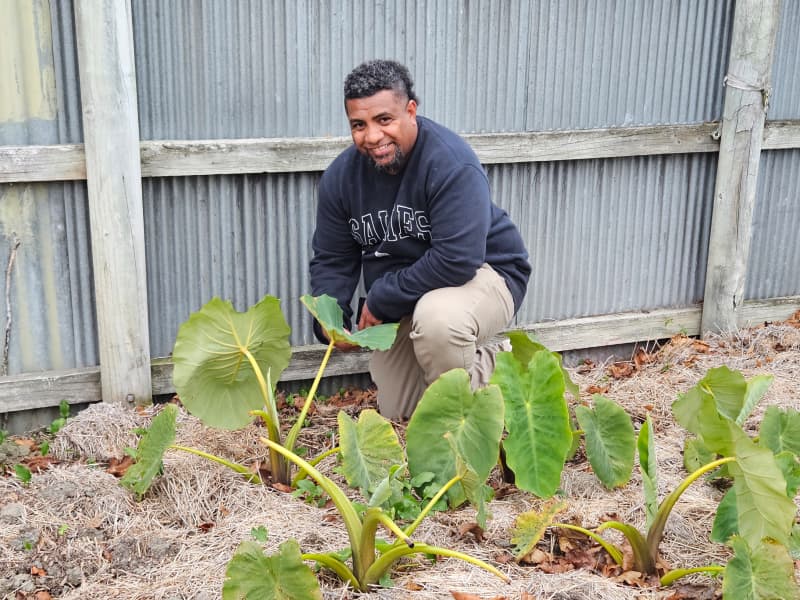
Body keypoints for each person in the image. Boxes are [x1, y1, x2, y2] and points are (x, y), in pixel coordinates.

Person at [309, 59, 531, 420]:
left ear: (410, 110)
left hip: (486, 274)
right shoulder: (340, 179)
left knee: (440, 322)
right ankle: (463, 382)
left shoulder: (450, 162)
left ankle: (486, 383)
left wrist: (381, 298)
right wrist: (330, 322)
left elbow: (458, 259)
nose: (373, 136)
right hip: (410, 294)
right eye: (359, 125)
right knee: (402, 411)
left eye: (384, 120)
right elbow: (333, 258)